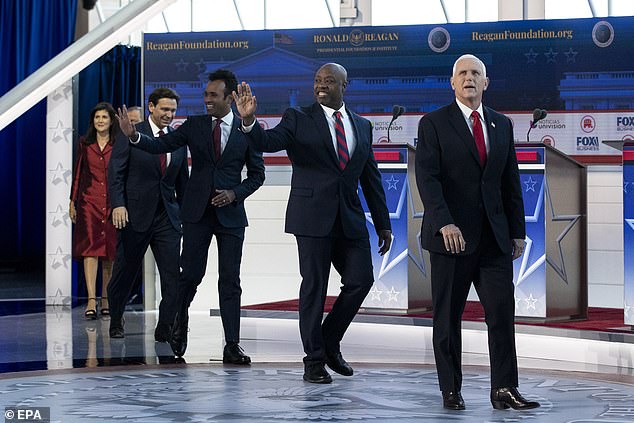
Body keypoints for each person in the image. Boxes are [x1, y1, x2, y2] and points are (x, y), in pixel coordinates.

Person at [233, 63, 392, 384]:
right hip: (311, 217)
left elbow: (370, 178)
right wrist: (248, 121)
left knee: (361, 281)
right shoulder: (298, 117)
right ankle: (314, 360)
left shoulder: (362, 126)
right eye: (318, 80)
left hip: (349, 218)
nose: (321, 85)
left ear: (344, 86)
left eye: (329, 81)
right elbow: (269, 141)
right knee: (315, 289)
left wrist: (383, 224)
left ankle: (329, 339)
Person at [415, 54, 540, 411]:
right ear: (452, 82)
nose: (469, 78)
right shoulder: (434, 124)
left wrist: (517, 231)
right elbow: (428, 179)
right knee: (448, 318)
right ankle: (450, 389)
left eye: (476, 74)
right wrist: (444, 221)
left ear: (486, 82)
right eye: (463, 74)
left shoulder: (502, 124)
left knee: (501, 313)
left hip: (494, 241)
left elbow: (510, 182)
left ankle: (504, 388)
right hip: (451, 240)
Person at [116, 69, 265, 364]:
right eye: (206, 94)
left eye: (213, 95)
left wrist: (235, 194)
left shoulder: (247, 129)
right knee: (190, 277)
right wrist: (134, 136)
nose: (206, 99)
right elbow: (160, 145)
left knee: (230, 280)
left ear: (230, 97)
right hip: (197, 213)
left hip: (231, 216)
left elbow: (257, 176)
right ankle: (179, 325)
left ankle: (232, 344)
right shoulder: (195, 125)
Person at [107, 88, 189, 340]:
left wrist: (186, 217)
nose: (169, 114)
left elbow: (181, 182)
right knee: (124, 272)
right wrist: (118, 204)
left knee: (172, 276)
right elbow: (116, 172)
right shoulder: (131, 132)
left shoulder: (176, 139)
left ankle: (165, 325)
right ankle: (116, 318)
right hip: (134, 215)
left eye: (173, 110)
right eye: (165, 109)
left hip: (167, 218)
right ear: (151, 107)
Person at [70, 102, 119, 319]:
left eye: (104, 117)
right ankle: (91, 300)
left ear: (111, 121)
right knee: (91, 251)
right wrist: (72, 201)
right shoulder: (85, 143)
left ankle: (106, 298)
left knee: (109, 251)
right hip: (88, 203)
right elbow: (78, 174)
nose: (100, 121)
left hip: (112, 204)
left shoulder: (119, 144)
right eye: (97, 117)